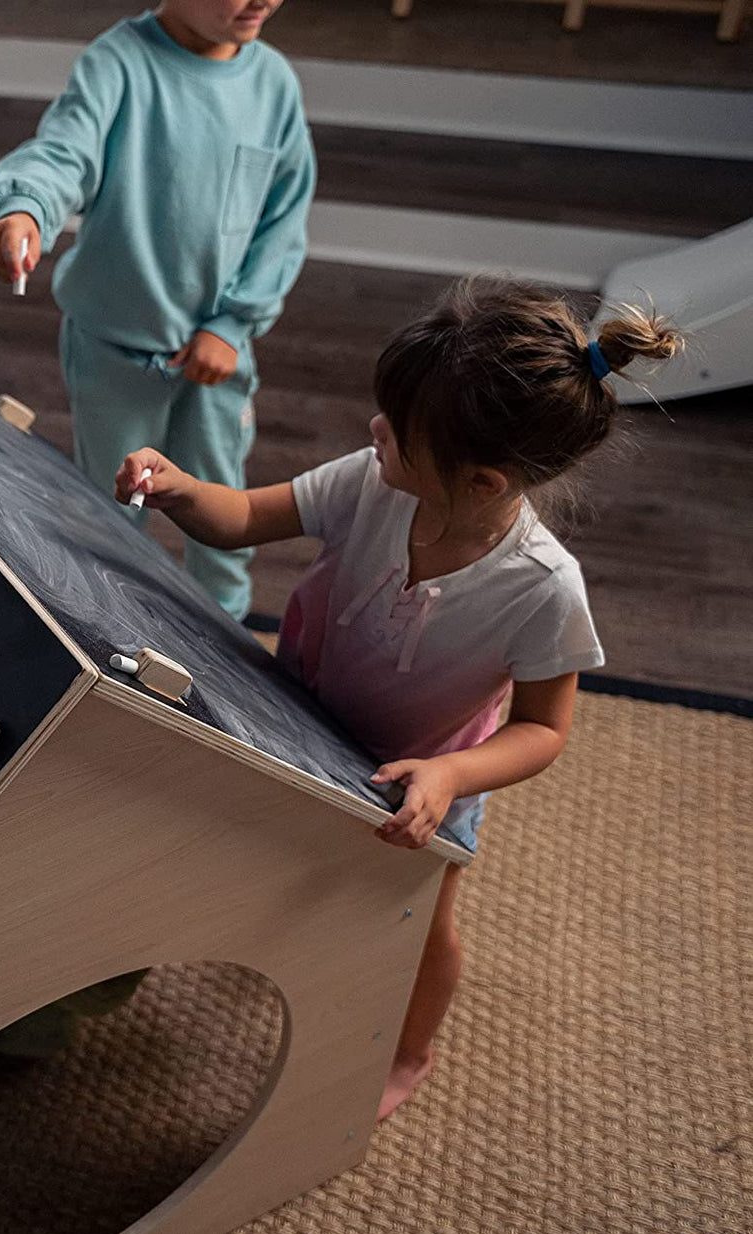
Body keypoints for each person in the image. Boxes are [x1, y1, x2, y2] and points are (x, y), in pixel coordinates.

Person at [113, 276, 683, 1118]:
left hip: (426, 771)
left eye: (400, 432)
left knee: (421, 923)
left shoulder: (544, 589)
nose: (374, 429)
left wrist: (451, 780)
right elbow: (240, 517)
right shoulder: (372, 481)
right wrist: (178, 489)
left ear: (483, 481)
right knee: (274, 845)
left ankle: (409, 1052)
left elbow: (541, 729)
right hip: (304, 711)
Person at [0, 0, 314, 620]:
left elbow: (283, 220)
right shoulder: (117, 64)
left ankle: (227, 633)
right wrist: (23, 207)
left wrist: (232, 323)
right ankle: (115, 635)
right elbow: (63, 154)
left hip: (218, 359)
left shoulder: (273, 85)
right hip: (113, 350)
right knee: (112, 512)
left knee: (220, 502)